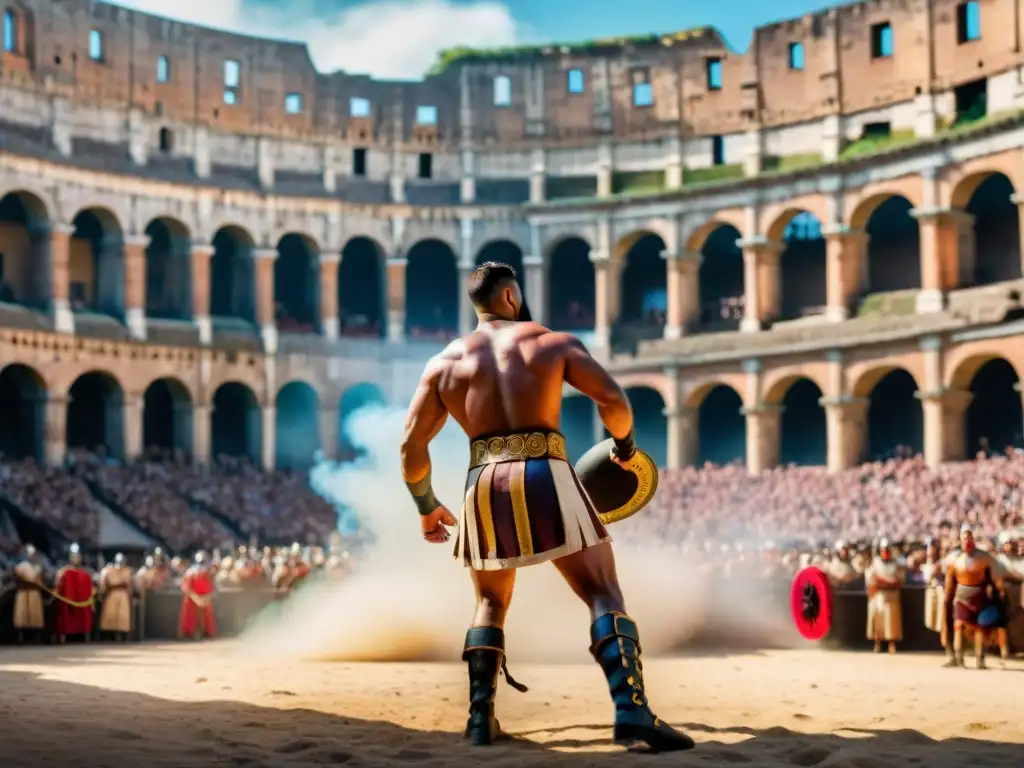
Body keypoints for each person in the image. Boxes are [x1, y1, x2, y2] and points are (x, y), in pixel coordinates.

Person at [399, 261, 694, 752]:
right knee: (602, 591)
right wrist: (623, 449)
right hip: (545, 470)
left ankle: (479, 719)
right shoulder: (551, 342)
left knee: (490, 601)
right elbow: (614, 400)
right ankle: (631, 710)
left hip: (483, 482)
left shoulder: (443, 364)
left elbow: (411, 447)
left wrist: (426, 505)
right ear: (512, 297)